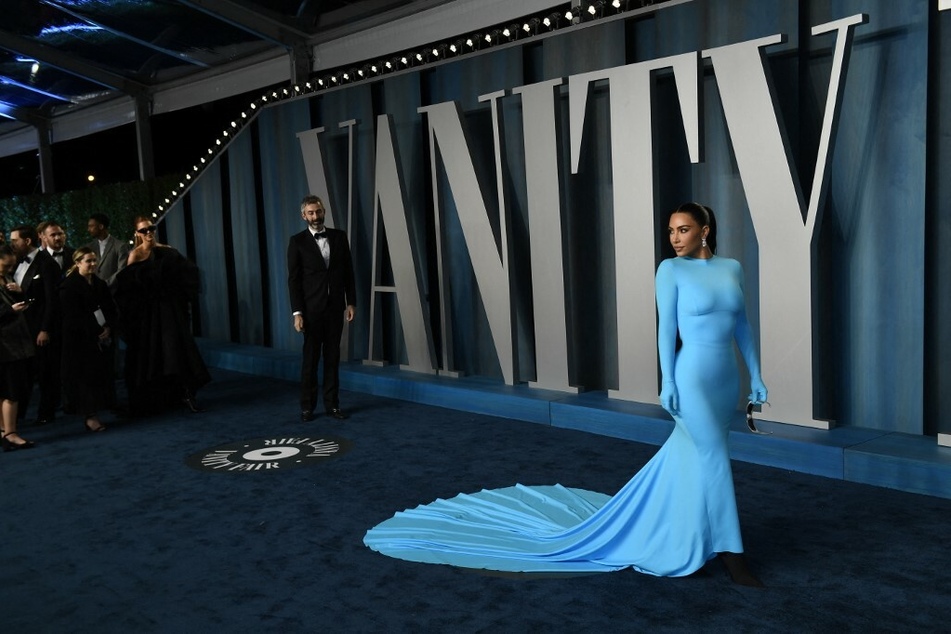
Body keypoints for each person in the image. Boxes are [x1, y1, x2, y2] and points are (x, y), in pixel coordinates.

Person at [363, 203, 768, 587]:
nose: (675, 238)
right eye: (671, 231)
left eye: (683, 230)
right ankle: (733, 553)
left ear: (705, 231)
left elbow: (743, 327)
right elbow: (665, 332)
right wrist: (669, 382)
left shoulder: (731, 268)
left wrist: (758, 376)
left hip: (724, 380)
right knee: (713, 458)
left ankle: (683, 535)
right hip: (691, 376)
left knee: (692, 457)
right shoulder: (670, 270)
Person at [114, 217, 210, 415]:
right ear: (137, 234)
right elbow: (128, 290)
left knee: (177, 350)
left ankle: (186, 394)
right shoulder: (134, 256)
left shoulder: (169, 251)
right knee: (152, 354)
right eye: (144, 230)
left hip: (170, 311)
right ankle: (158, 399)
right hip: (147, 316)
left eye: (151, 228)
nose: (149, 233)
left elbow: (188, 276)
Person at [287, 195, 356, 422]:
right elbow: (294, 280)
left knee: (332, 358)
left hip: (335, 308)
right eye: (311, 213)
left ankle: (332, 405)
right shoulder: (297, 242)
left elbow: (348, 273)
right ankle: (307, 407)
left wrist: (351, 302)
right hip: (311, 311)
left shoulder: (339, 237)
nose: (315, 216)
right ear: (303, 216)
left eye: (318, 211)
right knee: (310, 360)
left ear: (323, 211)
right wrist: (297, 313)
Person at [59, 247, 119, 432]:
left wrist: (107, 327)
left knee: (99, 376)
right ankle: (90, 417)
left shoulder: (99, 283)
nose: (93, 264)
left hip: (100, 337)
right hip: (79, 340)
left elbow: (109, 307)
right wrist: (96, 330)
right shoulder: (69, 285)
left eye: (94, 260)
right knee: (84, 379)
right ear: (77, 263)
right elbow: (72, 316)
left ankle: (99, 410)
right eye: (88, 261)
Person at [7, 225, 61, 425]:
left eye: (15, 241)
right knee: (26, 373)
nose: (12, 244)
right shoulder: (16, 263)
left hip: (40, 328)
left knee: (46, 371)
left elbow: (52, 300)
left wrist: (45, 329)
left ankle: (47, 413)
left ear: (27, 241)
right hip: (22, 329)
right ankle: (18, 415)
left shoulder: (47, 264)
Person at [0, 244, 37, 451]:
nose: (9, 270)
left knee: (6, 390)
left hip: (13, 342)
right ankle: (11, 434)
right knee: (11, 390)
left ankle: (5, 431)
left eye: (11, 267)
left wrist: (20, 294)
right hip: (6, 346)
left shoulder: (7, 280)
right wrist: (11, 311)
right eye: (5, 266)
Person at [84, 213, 130, 287]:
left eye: (91, 226)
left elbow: (122, 270)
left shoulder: (120, 246)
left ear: (101, 226)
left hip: (113, 292)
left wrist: (105, 285)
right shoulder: (89, 247)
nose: (88, 229)